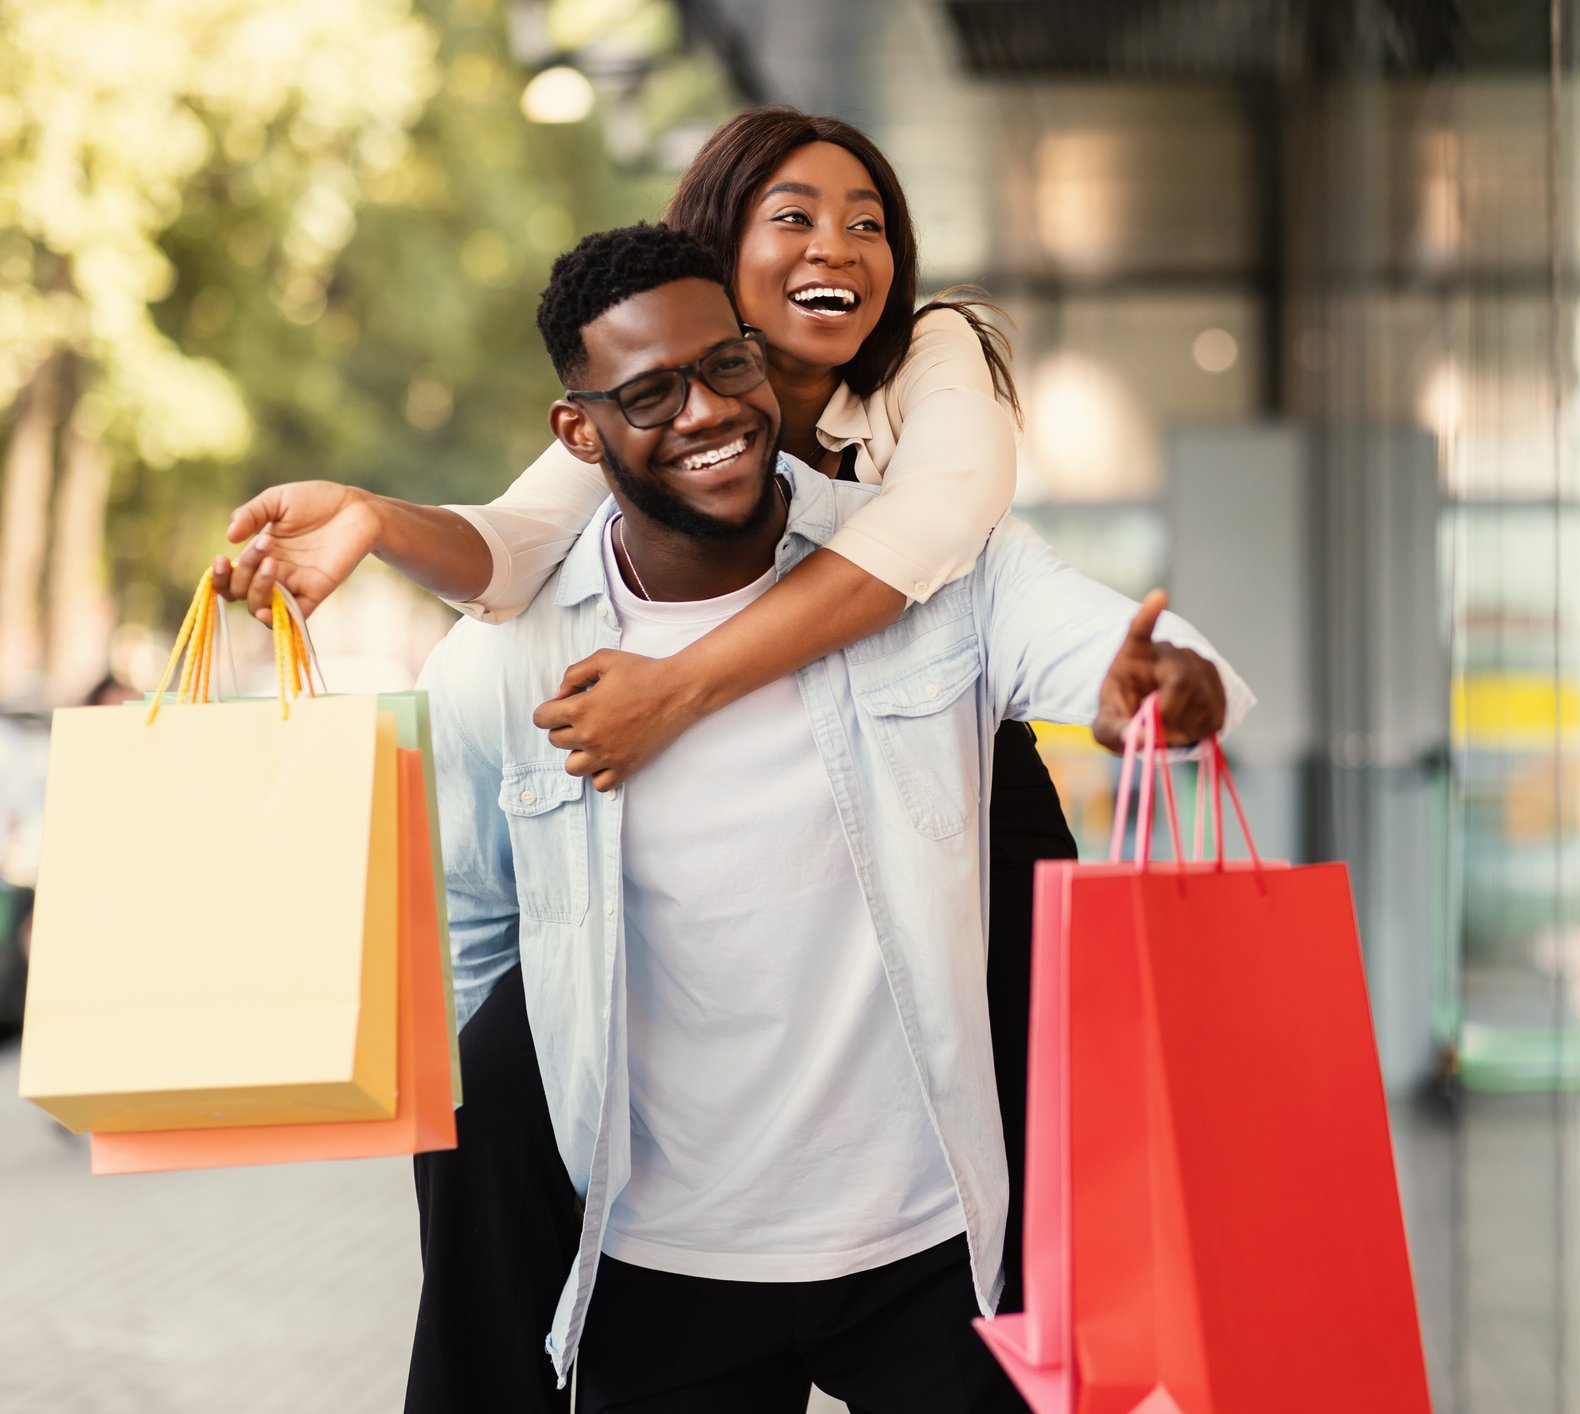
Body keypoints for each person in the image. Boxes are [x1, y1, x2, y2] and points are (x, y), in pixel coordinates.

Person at [209, 108, 1075, 1407]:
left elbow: (936, 526)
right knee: (489, 1077)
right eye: (793, 216)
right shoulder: (662, 383)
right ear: (711, 250)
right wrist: (373, 518)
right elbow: (515, 547)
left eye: (867, 220)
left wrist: (675, 689)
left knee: (1027, 1160)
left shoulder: (935, 349)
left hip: (950, 800)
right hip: (677, 832)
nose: (841, 245)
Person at [425, 221, 1247, 1408]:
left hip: (928, 1244)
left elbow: (1118, 650)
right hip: (660, 1262)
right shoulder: (500, 669)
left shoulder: (931, 568)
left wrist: (1161, 683)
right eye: (652, 392)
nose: (708, 410)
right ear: (579, 429)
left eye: (728, 366)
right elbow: (474, 954)